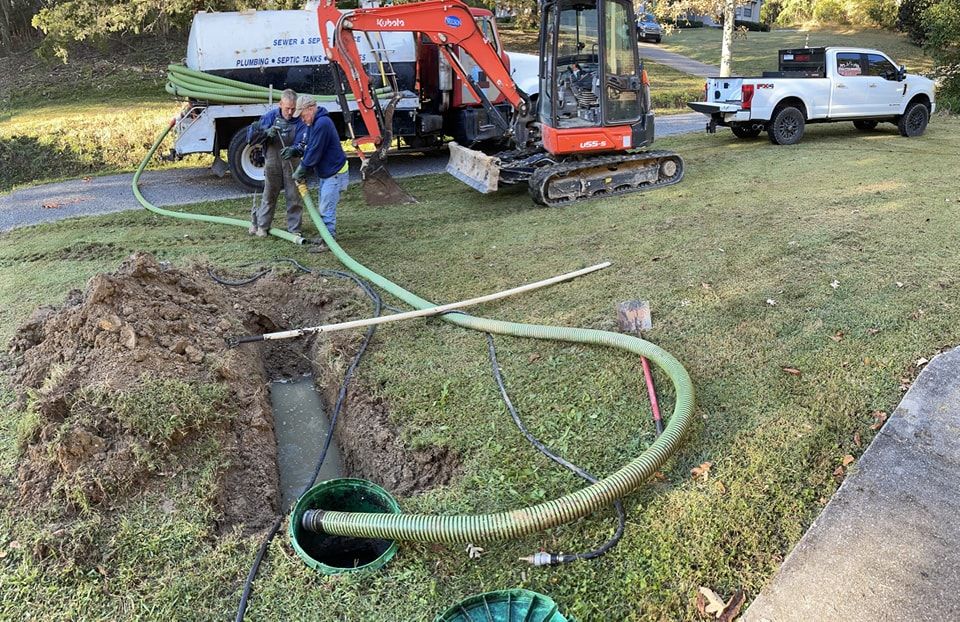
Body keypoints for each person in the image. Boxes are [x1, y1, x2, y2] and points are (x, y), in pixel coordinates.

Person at [283, 95, 349, 251]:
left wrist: (302, 168)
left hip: (335, 172)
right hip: (327, 172)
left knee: (326, 209)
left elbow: (314, 151)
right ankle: (325, 236)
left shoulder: (322, 123)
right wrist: (296, 150)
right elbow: (308, 144)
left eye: (304, 115)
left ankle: (329, 241)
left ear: (311, 109)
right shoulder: (313, 123)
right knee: (323, 207)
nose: (303, 119)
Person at [248, 89, 305, 238]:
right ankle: (262, 226)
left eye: (293, 108)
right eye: (287, 108)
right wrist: (265, 133)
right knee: (269, 195)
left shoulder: (299, 120)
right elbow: (250, 137)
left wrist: (294, 149)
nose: (290, 112)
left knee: (293, 196)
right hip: (272, 162)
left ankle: (294, 229)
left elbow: (304, 141)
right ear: (280, 104)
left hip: (292, 162)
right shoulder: (270, 117)